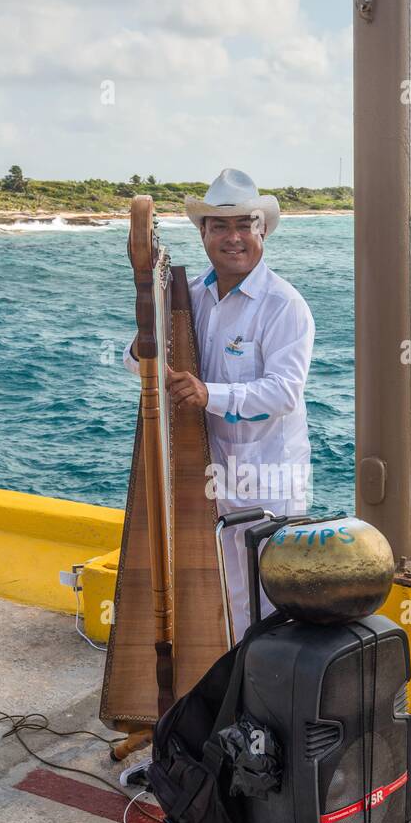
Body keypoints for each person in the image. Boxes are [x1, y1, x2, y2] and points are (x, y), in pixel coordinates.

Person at [122, 167, 315, 643]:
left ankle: (261, 709)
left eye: (244, 225)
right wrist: (148, 333)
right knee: (221, 598)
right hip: (207, 475)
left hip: (267, 482)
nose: (233, 238)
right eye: (220, 226)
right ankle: (224, 700)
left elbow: (284, 392)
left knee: (263, 604)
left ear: (262, 230)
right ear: (203, 234)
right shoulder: (191, 296)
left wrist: (210, 394)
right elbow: (134, 357)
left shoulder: (283, 305)